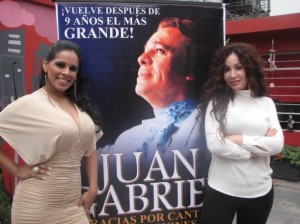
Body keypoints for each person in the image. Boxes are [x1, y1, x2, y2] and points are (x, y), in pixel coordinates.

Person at [97, 17, 211, 222]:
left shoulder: (209, 127)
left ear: (191, 69)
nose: (141, 58)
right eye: (145, 50)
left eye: (159, 50)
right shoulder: (129, 138)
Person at [0, 40, 103, 224]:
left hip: (73, 206)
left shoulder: (80, 105)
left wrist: (93, 188)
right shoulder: (31, 103)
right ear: (45, 65)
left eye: (73, 68)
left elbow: (91, 148)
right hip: (36, 206)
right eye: (60, 65)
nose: (66, 73)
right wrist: (16, 170)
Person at [200, 43, 284, 224]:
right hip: (221, 190)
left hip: (259, 191)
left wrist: (238, 139)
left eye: (238, 67)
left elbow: (277, 144)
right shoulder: (216, 103)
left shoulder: (266, 103)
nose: (232, 75)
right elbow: (215, 145)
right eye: (227, 69)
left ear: (250, 68)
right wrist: (255, 150)